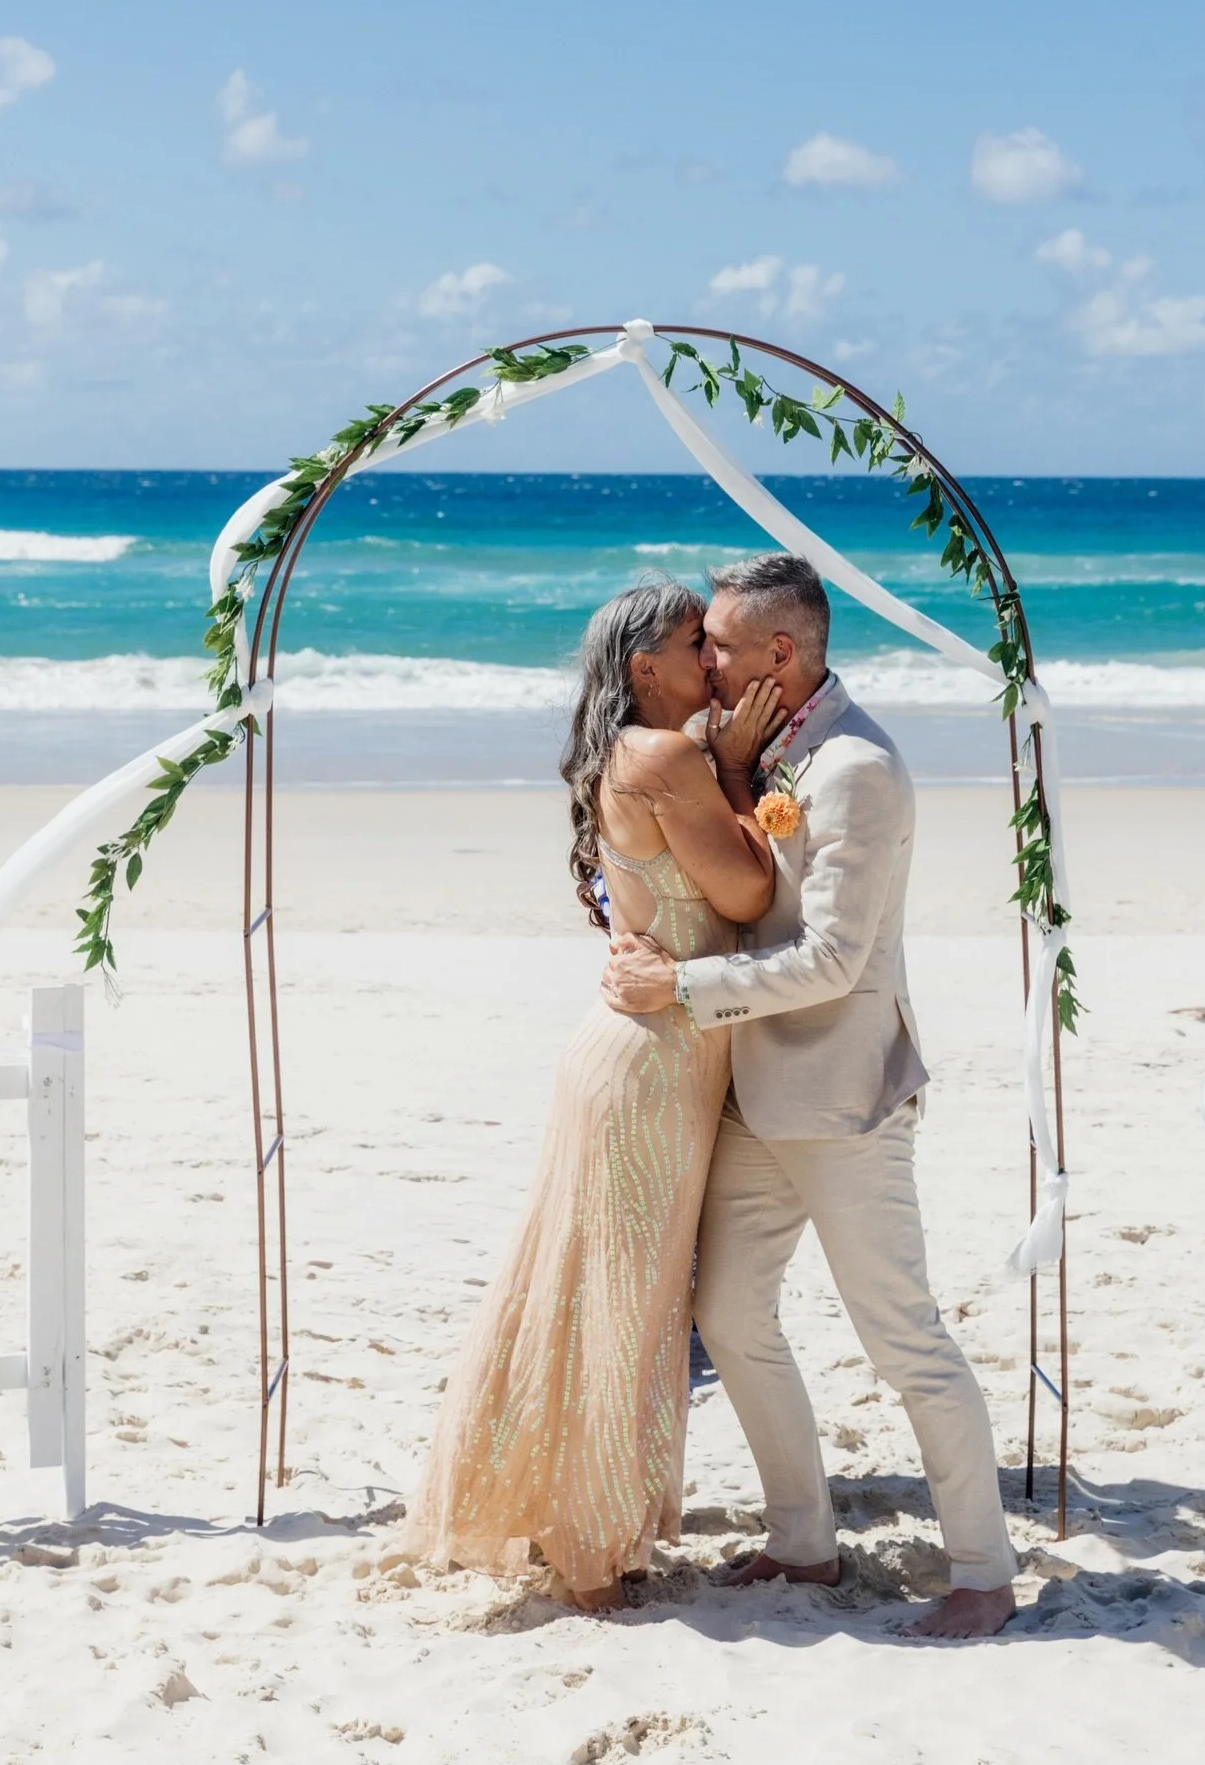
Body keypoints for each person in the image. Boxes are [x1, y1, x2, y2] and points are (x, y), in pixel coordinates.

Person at [601, 553, 1018, 1639]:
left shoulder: (855, 772)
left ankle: (982, 1569)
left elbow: (833, 958)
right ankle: (802, 1541)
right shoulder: (752, 749)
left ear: (780, 654)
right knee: (730, 1316)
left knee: (904, 1338)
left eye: (723, 647)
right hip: (753, 1088)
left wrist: (679, 986)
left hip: (841, 1099)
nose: (706, 661)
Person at [405, 580, 786, 1611]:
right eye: (690, 643)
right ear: (643, 670)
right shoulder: (666, 758)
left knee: (597, 1290)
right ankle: (587, 1550)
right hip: (651, 1063)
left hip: (648, 1049)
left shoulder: (648, 754)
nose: (713, 660)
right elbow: (748, 894)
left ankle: (571, 1522)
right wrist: (743, 773)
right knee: (625, 1300)